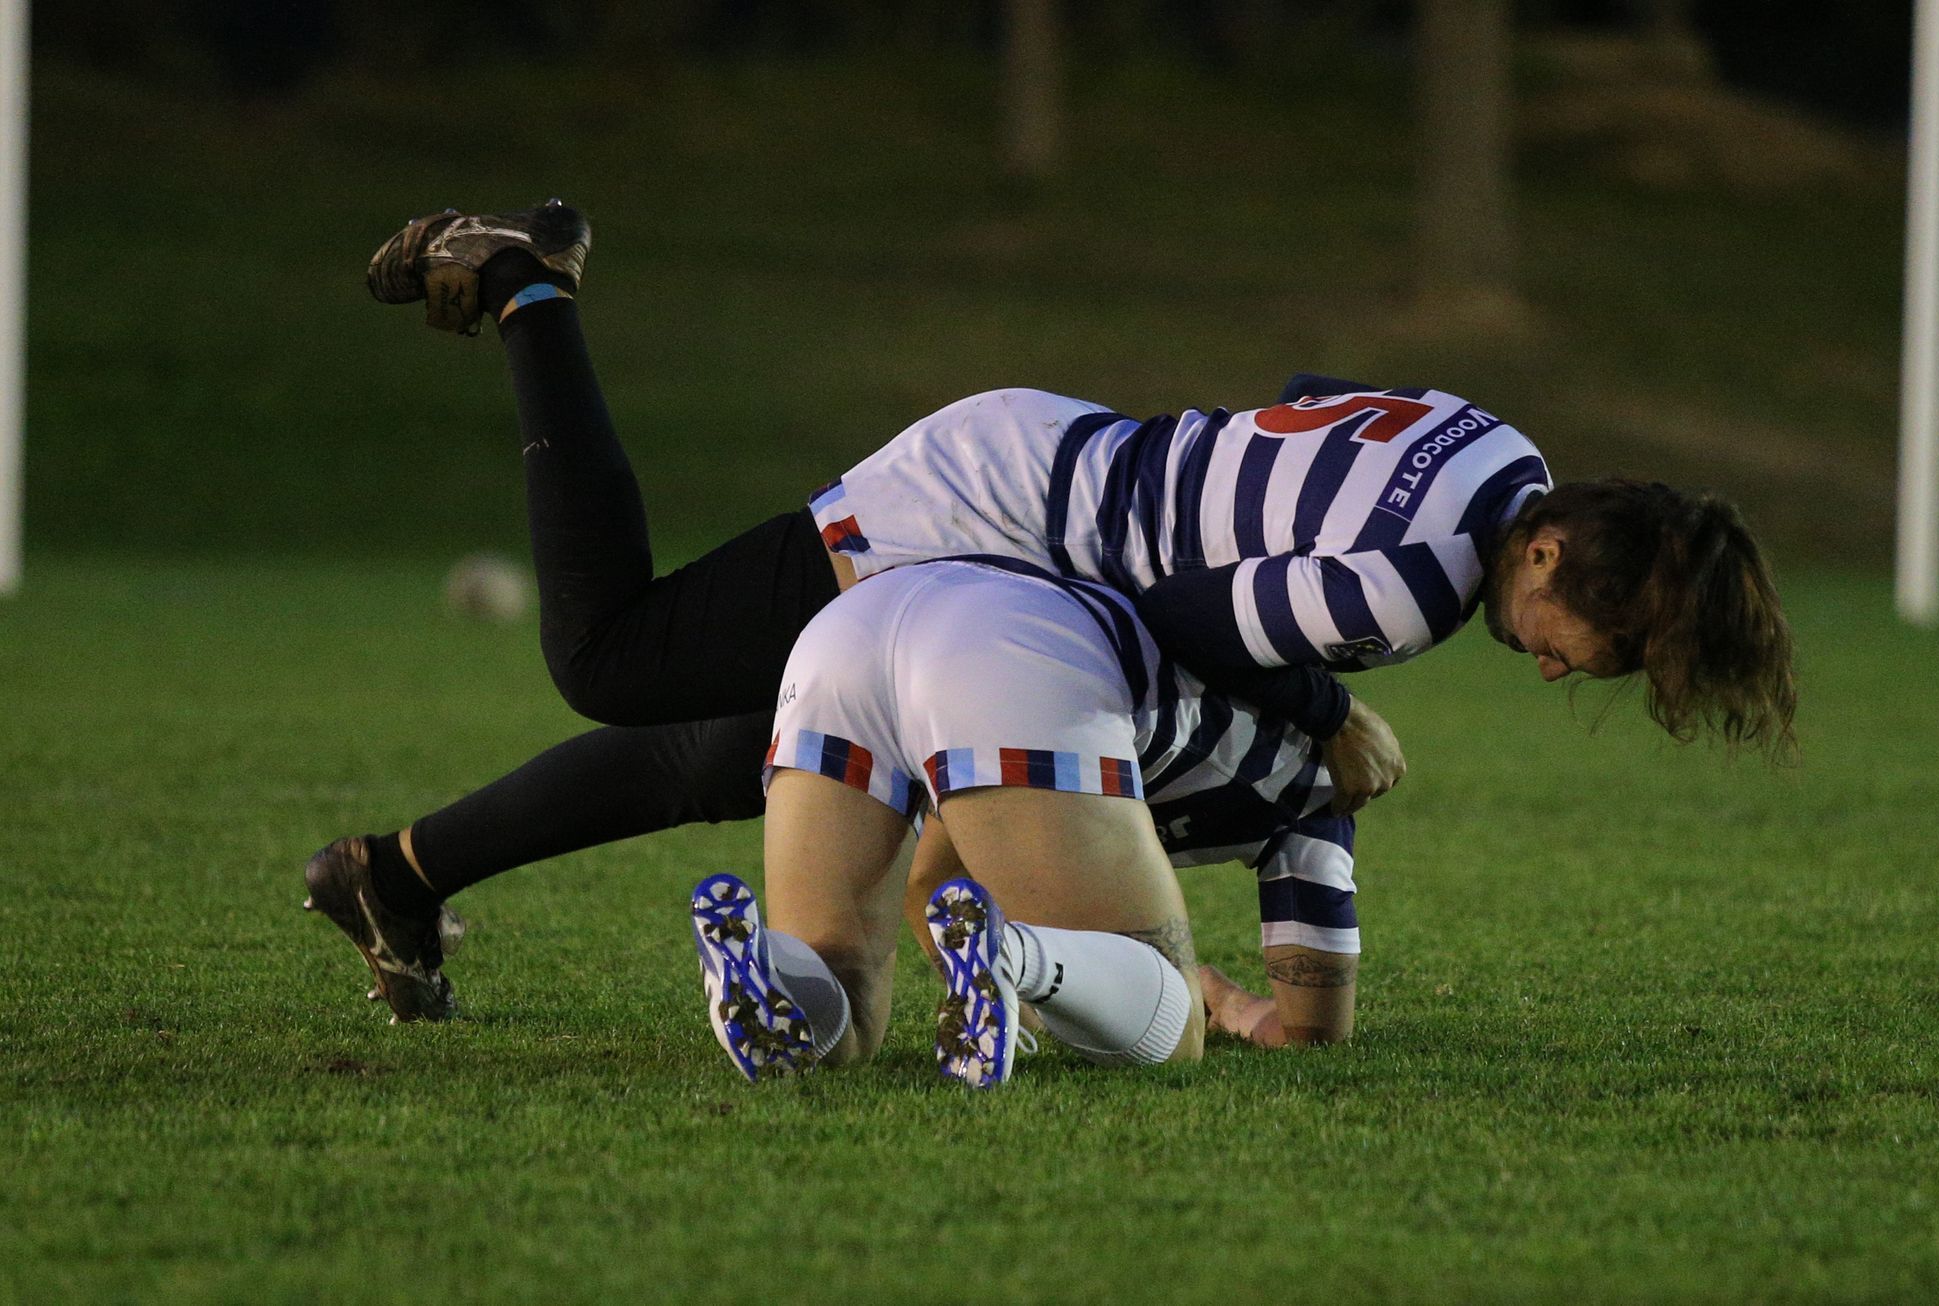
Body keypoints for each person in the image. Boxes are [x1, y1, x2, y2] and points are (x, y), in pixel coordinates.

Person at [303, 202, 1797, 1024]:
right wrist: (1329, 713)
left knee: (756, 752)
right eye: (1581, 651)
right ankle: (527, 290)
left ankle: (396, 872)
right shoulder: (1411, 589)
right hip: (990, 514)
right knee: (612, 657)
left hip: (1059, 466)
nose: (1554, 673)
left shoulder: (1498, 448)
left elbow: (1292, 405)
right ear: (1545, 564)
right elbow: (1180, 613)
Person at [689, 554, 1368, 1087]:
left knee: (845, 990)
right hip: (1009, 650)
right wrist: (1230, 1004)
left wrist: (967, 972)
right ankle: (1017, 957)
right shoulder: (1319, 790)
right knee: (1175, 1028)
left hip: (849, 628)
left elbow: (936, 890)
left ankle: (770, 967)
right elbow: (1313, 1033)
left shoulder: (1223, 633)